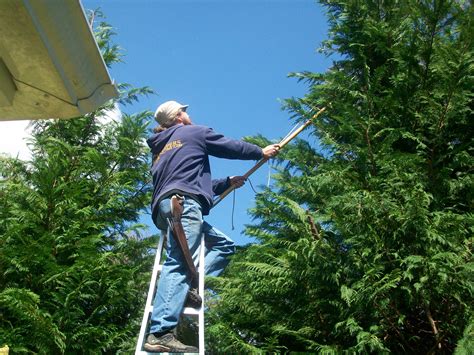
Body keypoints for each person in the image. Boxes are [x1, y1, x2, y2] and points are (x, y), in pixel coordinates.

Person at [144, 100, 280, 352]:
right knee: (178, 262)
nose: (188, 113)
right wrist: (260, 152)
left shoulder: (160, 149)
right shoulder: (193, 132)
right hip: (184, 206)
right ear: (177, 117)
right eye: (184, 111)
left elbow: (188, 178)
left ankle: (188, 286)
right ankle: (161, 331)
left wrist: (226, 182)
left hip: (167, 208)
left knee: (224, 245)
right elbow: (229, 146)